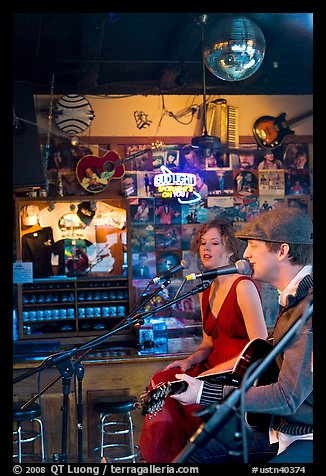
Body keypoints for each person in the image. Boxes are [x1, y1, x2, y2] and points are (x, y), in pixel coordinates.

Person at [172, 207, 313, 464]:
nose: (245, 253)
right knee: (197, 445)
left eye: (253, 245)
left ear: (282, 251)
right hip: (279, 427)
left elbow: (286, 397)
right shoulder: (295, 299)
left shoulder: (307, 309)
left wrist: (206, 391)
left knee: (200, 456)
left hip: (302, 434)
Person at [139, 218, 268, 463]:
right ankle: (160, 458)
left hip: (237, 372)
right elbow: (207, 343)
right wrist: (188, 361)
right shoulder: (206, 288)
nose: (206, 248)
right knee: (162, 380)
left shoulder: (243, 287)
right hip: (211, 367)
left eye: (214, 243)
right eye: (202, 243)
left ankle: (176, 456)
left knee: (174, 389)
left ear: (230, 248)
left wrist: (203, 377)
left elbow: (259, 349)